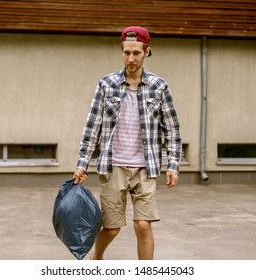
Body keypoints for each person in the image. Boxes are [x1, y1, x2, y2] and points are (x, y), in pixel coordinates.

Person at [73, 26, 182, 260]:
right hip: (113, 168)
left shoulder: (159, 86)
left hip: (146, 167)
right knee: (111, 228)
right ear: (122, 52)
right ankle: (97, 257)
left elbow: (172, 129)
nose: (131, 58)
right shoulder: (106, 84)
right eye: (126, 53)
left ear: (147, 52)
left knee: (143, 225)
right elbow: (92, 126)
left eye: (136, 53)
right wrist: (82, 163)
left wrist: (173, 165)